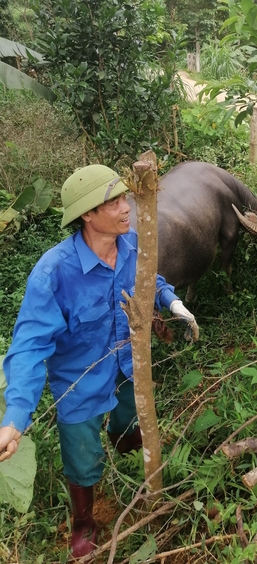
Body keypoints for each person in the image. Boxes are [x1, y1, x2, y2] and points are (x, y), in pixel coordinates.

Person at [0, 164, 199, 559]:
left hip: (129, 367)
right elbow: (28, 345)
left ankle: (124, 445)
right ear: (87, 215)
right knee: (82, 456)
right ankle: (84, 522)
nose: (127, 208)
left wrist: (171, 301)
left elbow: (150, 279)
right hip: (80, 384)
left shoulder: (132, 245)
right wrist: (15, 417)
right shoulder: (55, 273)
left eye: (125, 198)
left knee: (132, 424)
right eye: (114, 203)